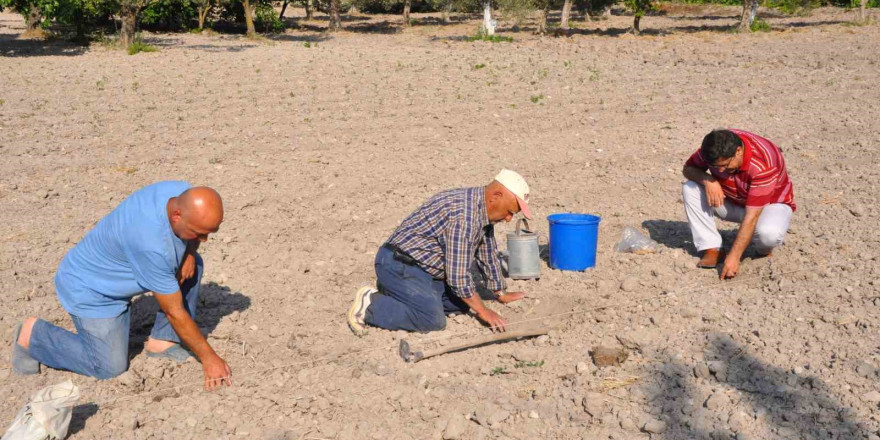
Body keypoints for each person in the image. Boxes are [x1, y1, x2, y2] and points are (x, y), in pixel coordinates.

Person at [10, 182, 233, 391]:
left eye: (209, 233)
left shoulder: (179, 191)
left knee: (191, 264)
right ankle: (34, 336)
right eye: (198, 233)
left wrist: (189, 251)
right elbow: (174, 311)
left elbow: (186, 244)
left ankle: (162, 341)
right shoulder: (151, 245)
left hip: (120, 271)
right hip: (92, 290)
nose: (204, 240)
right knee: (109, 367)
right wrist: (209, 358)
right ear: (177, 216)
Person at [348, 170, 532, 335]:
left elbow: (487, 251)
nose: (508, 219)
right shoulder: (463, 216)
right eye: (509, 212)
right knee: (432, 320)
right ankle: (369, 305)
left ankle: (398, 293)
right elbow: (458, 278)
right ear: (495, 196)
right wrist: (483, 311)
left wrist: (500, 292)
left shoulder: (480, 208)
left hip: (421, 269)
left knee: (460, 303)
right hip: (398, 264)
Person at [681, 129, 796, 280]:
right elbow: (688, 169)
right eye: (716, 166)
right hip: (731, 200)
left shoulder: (763, 164)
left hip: (768, 206)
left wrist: (734, 257)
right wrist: (709, 180)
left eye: (725, 165)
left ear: (738, 151)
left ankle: (762, 250)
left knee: (768, 234)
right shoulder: (713, 148)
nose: (721, 170)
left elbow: (752, 215)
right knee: (690, 188)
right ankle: (712, 248)